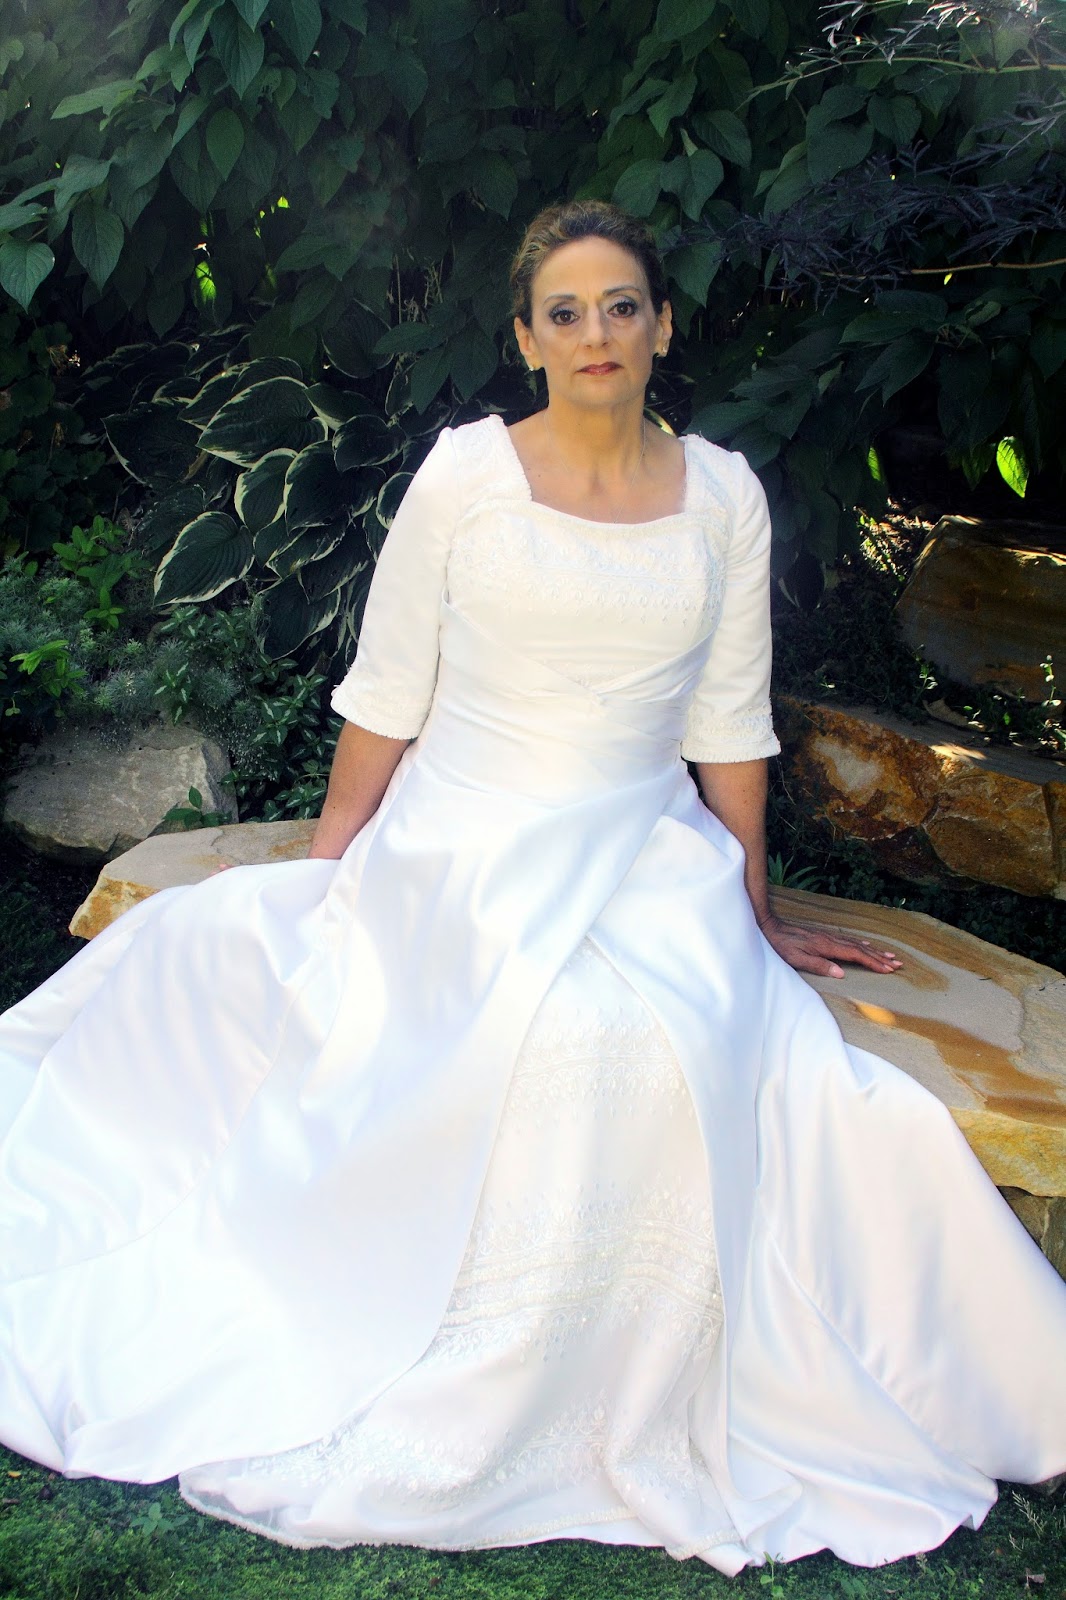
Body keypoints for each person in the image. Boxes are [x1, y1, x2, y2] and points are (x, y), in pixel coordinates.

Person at [0, 199, 1063, 1576]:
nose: (594, 333)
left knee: (692, 1041)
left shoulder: (724, 496)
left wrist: (751, 909)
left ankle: (666, 1382)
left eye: (620, 305)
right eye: (564, 312)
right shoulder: (466, 478)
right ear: (525, 339)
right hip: (464, 838)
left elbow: (730, 726)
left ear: (662, 325)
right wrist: (333, 874)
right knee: (521, 1029)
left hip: (646, 851)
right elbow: (388, 693)